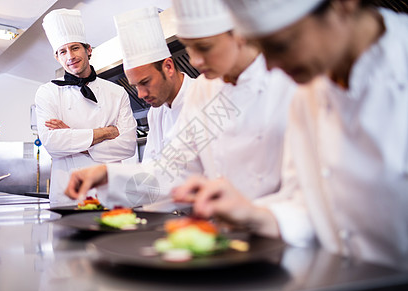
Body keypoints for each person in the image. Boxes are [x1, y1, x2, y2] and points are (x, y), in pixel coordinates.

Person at [174, 0, 408, 270]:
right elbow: (307, 203)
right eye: (262, 48)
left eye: (281, 45)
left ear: (343, 5)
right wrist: (254, 215)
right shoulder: (308, 94)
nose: (271, 66)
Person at [64, 0, 296, 211]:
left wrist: (253, 214)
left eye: (204, 47)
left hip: (280, 233)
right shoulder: (207, 88)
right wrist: (108, 175)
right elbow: (173, 168)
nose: (194, 61)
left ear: (239, 35)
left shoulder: (287, 80)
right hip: (221, 231)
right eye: (189, 48)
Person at [35, 9, 137, 207]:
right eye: (63, 51)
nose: (70, 56)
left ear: (88, 50)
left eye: (75, 48)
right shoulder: (47, 92)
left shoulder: (117, 92)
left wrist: (72, 137)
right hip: (67, 195)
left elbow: (128, 146)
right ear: (57, 57)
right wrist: (106, 132)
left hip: (109, 194)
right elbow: (52, 144)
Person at [114, 7, 195, 163]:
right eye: (135, 86)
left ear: (168, 67)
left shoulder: (205, 98)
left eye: (145, 82)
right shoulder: (155, 113)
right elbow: (152, 166)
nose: (141, 94)